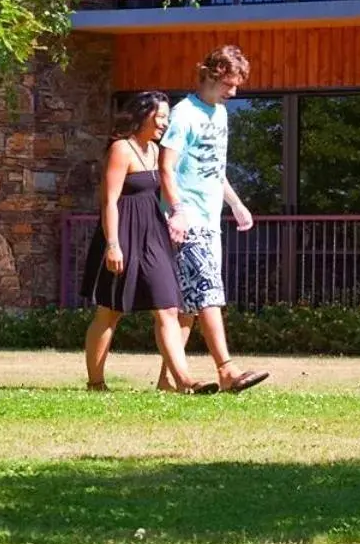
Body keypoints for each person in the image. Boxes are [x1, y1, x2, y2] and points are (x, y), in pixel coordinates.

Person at [80, 91, 213, 394]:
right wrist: (113, 244)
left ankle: (182, 380)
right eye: (160, 116)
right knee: (109, 311)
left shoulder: (156, 150)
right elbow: (109, 202)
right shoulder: (121, 149)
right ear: (142, 115)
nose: (165, 123)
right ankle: (96, 382)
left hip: (153, 234)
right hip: (122, 233)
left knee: (168, 306)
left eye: (167, 117)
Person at [158, 45, 270, 394]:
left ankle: (169, 381)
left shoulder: (219, 114)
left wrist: (236, 205)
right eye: (229, 85)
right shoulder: (183, 114)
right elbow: (166, 167)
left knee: (190, 304)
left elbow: (214, 170)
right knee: (207, 292)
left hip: (210, 219)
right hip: (186, 219)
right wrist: (177, 211)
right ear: (210, 75)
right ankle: (227, 369)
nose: (233, 93)